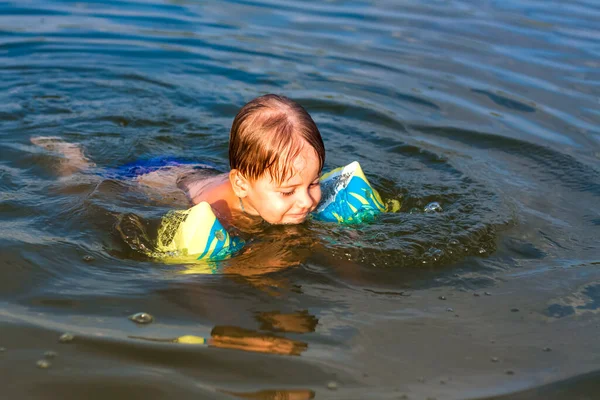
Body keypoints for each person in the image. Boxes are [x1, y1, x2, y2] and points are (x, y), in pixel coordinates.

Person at [31, 94, 326, 233]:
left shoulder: (270, 183)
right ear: (242, 185)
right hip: (151, 180)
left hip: (197, 170)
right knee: (84, 178)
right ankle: (69, 155)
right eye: (288, 192)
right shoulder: (218, 215)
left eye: (313, 182)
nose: (306, 200)